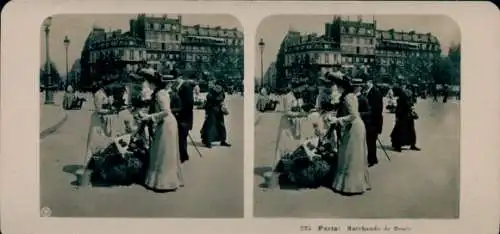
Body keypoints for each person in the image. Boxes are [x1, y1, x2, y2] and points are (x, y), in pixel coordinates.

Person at [138, 68, 184, 192]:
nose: (145, 84)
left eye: (147, 82)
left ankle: (164, 182)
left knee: (163, 151)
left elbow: (166, 111)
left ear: (153, 83)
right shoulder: (161, 92)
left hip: (167, 123)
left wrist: (149, 117)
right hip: (166, 123)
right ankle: (166, 180)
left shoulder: (160, 94)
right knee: (162, 150)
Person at [328, 72, 371, 195]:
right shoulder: (350, 95)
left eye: (337, 85)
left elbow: (353, 115)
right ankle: (357, 183)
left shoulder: (348, 97)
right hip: (355, 126)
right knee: (352, 154)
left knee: (350, 154)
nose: (335, 87)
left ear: (342, 86)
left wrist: (337, 120)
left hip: (354, 127)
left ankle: (352, 186)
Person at [170, 69, 194, 163]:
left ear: (180, 77)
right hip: (179, 116)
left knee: (182, 137)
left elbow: (189, 104)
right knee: (180, 137)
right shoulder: (178, 87)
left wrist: (177, 111)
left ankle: (183, 157)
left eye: (175, 79)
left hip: (184, 117)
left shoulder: (186, 86)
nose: (173, 81)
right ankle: (182, 155)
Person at [201, 80, 231, 148]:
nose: (219, 87)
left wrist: (222, 105)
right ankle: (208, 142)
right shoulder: (211, 91)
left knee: (221, 125)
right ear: (215, 85)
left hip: (219, 110)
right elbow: (209, 99)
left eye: (220, 85)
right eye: (217, 85)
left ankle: (223, 141)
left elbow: (222, 99)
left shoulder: (221, 91)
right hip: (212, 110)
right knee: (211, 126)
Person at [390, 86, 421, 152]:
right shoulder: (405, 94)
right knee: (410, 130)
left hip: (403, 116)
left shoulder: (402, 96)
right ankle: (412, 145)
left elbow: (401, 107)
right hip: (408, 115)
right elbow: (410, 103)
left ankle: (398, 146)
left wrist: (397, 116)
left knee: (400, 131)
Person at [362, 78, 384, 167]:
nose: (365, 84)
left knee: (371, 141)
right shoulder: (366, 91)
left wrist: (369, 117)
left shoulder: (376, 92)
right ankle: (372, 158)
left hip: (373, 121)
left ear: (371, 82)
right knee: (369, 141)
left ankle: (372, 160)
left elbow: (377, 109)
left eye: (366, 82)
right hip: (368, 121)